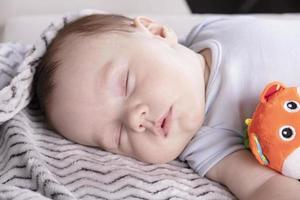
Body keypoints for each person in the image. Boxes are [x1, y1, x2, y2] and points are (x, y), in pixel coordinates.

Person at [33, 14, 300, 199]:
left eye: (125, 84)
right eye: (116, 136)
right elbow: (262, 187)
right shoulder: (209, 146)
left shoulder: (214, 30)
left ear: (157, 32)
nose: (135, 120)